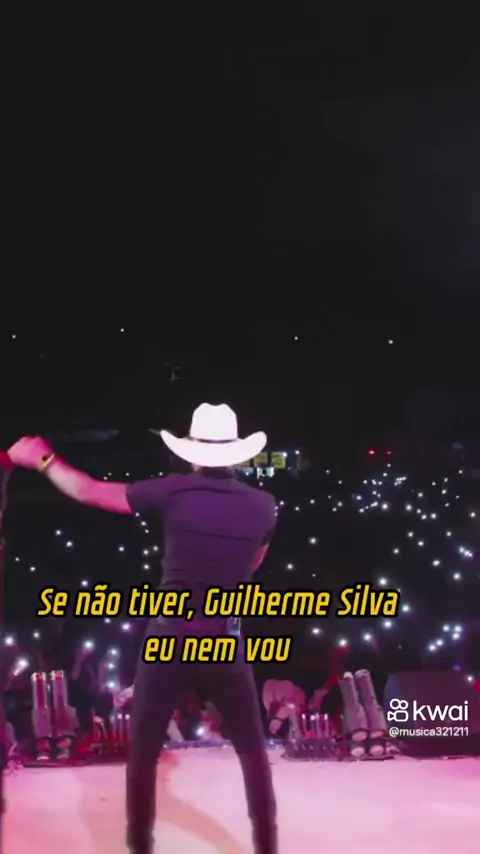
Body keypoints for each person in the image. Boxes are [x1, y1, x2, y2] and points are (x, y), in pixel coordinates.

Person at [8, 403, 278, 854]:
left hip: (170, 641)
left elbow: (89, 491)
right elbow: (252, 565)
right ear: (235, 452)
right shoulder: (264, 506)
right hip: (225, 642)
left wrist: (43, 459)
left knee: (144, 755)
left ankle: (139, 846)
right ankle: (267, 845)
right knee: (252, 754)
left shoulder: (176, 490)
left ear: (193, 452)